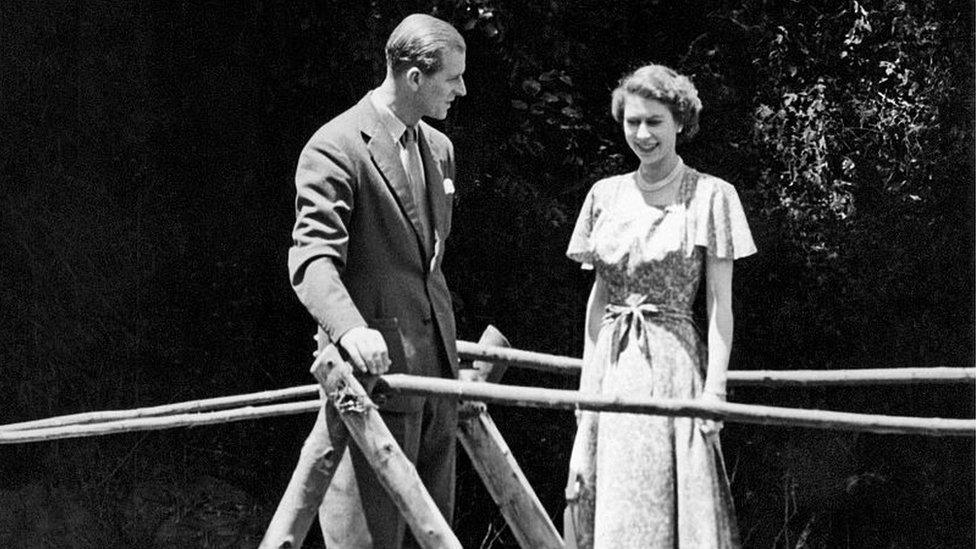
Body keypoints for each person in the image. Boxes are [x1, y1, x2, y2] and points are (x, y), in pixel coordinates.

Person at [287, 13, 467, 548]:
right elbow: (312, 257)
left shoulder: (440, 149)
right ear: (414, 77)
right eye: (452, 77)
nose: (462, 89)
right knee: (367, 540)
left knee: (431, 537)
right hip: (372, 383)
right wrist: (349, 329)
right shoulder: (335, 146)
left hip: (438, 379)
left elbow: (424, 265)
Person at [564, 64, 755, 548]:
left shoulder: (712, 195)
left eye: (655, 122)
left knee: (673, 507)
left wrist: (714, 392)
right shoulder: (604, 195)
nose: (643, 134)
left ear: (680, 123)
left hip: (673, 366)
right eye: (633, 122)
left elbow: (718, 306)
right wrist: (587, 393)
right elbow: (600, 300)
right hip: (612, 369)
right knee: (604, 498)